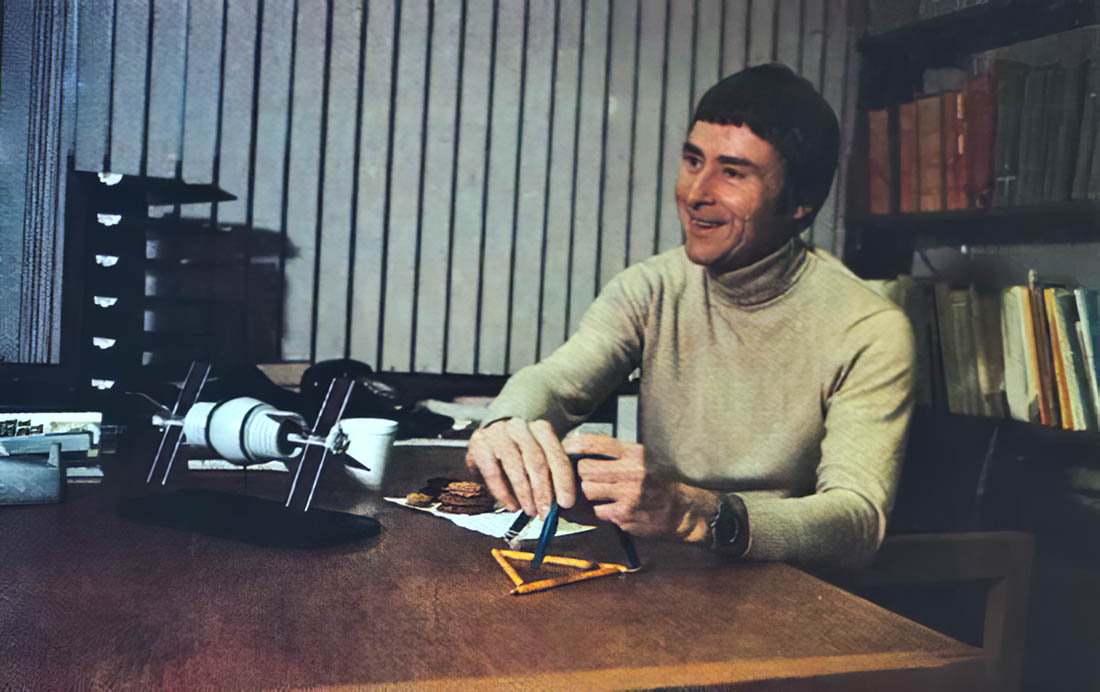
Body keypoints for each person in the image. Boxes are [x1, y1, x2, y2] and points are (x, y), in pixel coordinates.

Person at [465, 63, 915, 568]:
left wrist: (697, 514)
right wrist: (505, 424)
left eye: (733, 172)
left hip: (789, 592)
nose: (696, 193)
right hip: (668, 575)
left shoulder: (869, 329)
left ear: (800, 204)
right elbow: (559, 379)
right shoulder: (653, 285)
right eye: (692, 160)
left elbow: (857, 521)